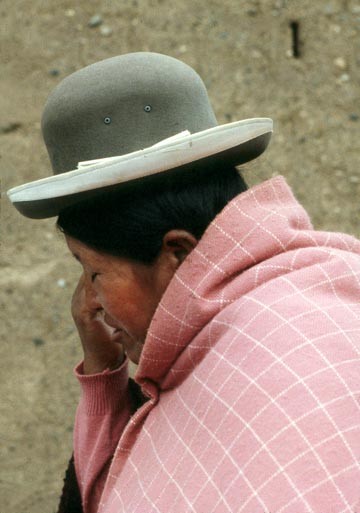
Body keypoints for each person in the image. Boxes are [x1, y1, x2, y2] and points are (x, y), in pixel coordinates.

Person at [7, 53, 360, 513]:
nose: (86, 304)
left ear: (179, 254)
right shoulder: (230, 335)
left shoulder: (291, 365)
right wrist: (102, 374)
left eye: (93, 271)